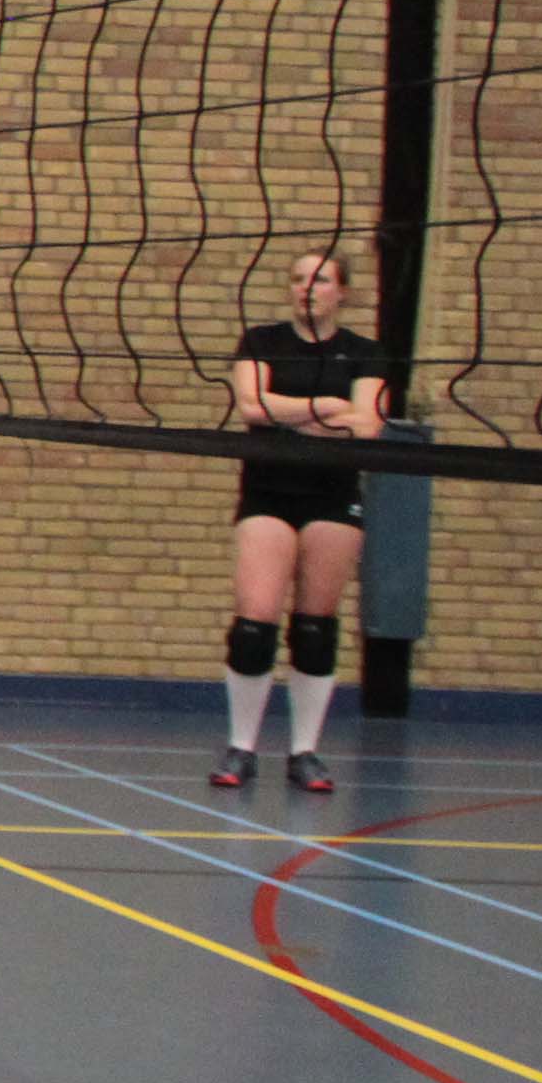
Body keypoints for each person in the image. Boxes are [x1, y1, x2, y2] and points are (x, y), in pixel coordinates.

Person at [218, 249, 385, 797]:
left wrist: (288, 412)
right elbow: (251, 408)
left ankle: (304, 752)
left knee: (315, 628)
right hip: (268, 492)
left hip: (333, 496)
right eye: (298, 279)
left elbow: (367, 427)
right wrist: (328, 406)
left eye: (321, 280)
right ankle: (241, 747)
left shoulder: (365, 353)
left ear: (343, 291)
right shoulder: (261, 342)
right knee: (254, 625)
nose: (307, 288)